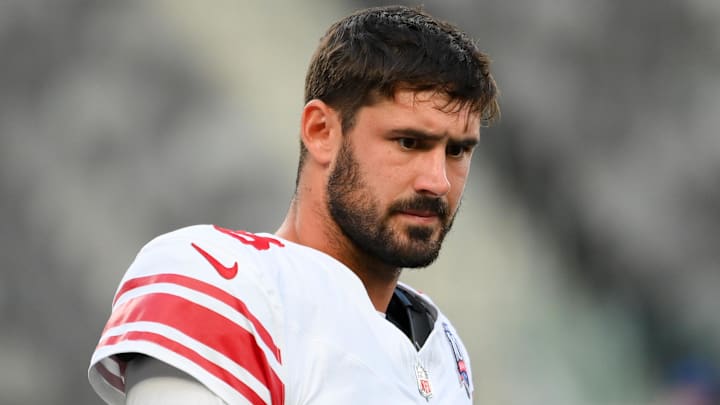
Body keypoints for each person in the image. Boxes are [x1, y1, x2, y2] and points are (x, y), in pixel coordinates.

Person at [88, 5, 499, 404]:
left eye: (458, 151)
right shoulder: (226, 282)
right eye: (409, 142)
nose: (438, 181)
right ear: (321, 131)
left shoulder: (443, 347)